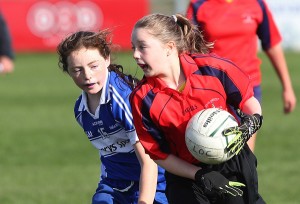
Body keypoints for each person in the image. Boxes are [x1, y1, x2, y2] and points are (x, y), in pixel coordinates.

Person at [130, 13, 265, 204]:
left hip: (232, 165)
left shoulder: (212, 68)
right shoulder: (142, 99)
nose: (135, 54)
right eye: (133, 48)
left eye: (142, 47)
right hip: (186, 177)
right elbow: (159, 154)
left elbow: (247, 101)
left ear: (169, 47)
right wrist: (199, 175)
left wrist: (253, 121)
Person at [57, 30, 167, 204]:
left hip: (152, 183)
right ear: (68, 72)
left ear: (107, 59)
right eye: (77, 70)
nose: (87, 75)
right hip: (114, 185)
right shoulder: (80, 110)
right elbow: (109, 154)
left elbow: (149, 162)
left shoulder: (123, 100)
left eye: (94, 66)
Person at [186, 0, 297, 152]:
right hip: (211, 89)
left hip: (248, 90)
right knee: (214, 151)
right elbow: (187, 48)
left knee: (244, 155)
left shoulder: (257, 3)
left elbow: (271, 43)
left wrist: (287, 87)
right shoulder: (199, 4)